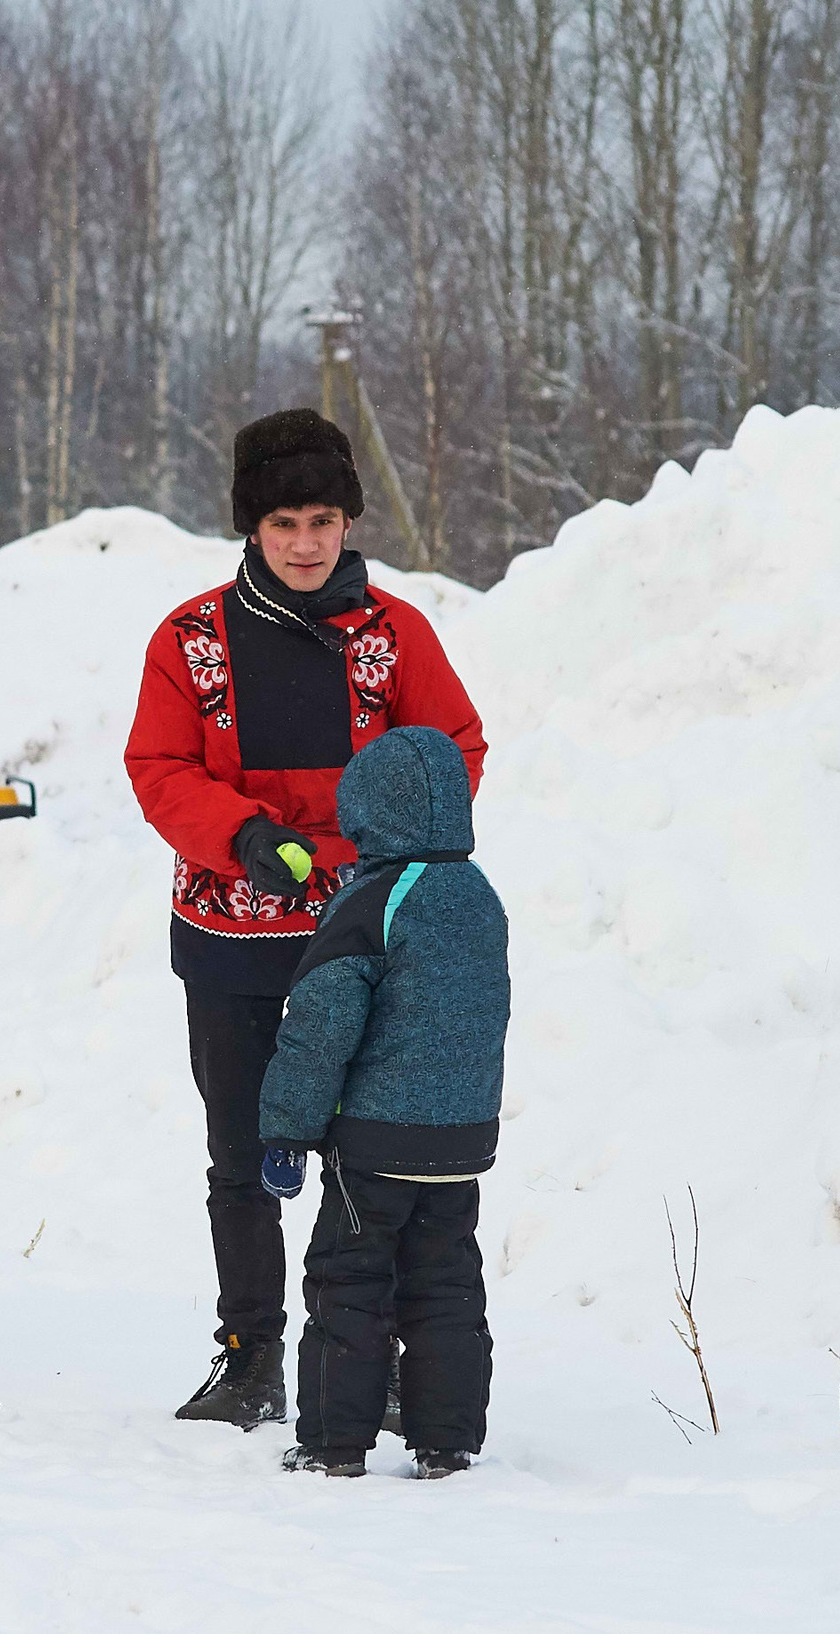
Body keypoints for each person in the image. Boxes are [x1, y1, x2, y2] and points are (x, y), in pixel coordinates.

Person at [125, 408, 487, 1427]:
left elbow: (452, 748)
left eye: (323, 518)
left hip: (371, 938)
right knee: (242, 1156)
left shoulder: (396, 634)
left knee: (371, 1154)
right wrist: (239, 835)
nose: (304, 540)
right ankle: (249, 1357)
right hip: (230, 939)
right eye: (283, 520)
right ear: (251, 527)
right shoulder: (190, 641)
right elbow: (157, 766)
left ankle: (368, 1358)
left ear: (346, 520)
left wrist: (374, 842)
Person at [257, 726, 508, 1479]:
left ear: (368, 813)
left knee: (349, 1286)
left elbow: (321, 1025)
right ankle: (446, 1442)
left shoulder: (374, 899)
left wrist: (287, 1129)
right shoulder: (479, 896)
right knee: (447, 1286)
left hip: (374, 1145)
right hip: (459, 1143)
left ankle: (334, 1443)